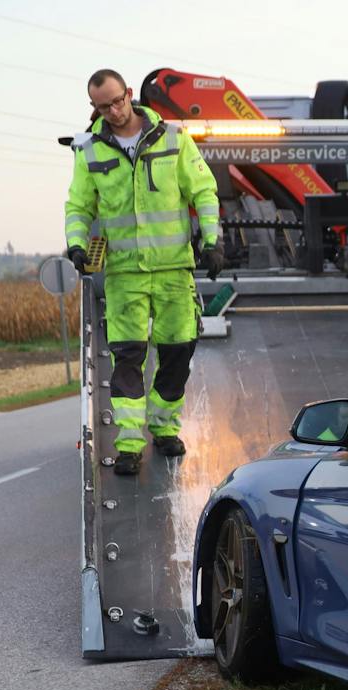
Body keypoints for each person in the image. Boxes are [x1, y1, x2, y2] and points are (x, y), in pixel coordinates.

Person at [63, 68, 224, 476]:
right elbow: (79, 206)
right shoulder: (92, 153)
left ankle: (165, 428)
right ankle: (130, 444)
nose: (113, 111)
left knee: (177, 354)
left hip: (173, 271)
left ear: (129, 94)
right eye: (103, 106)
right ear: (94, 107)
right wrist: (77, 243)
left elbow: (202, 190)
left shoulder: (173, 139)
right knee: (128, 359)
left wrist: (212, 238)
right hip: (124, 275)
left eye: (117, 101)